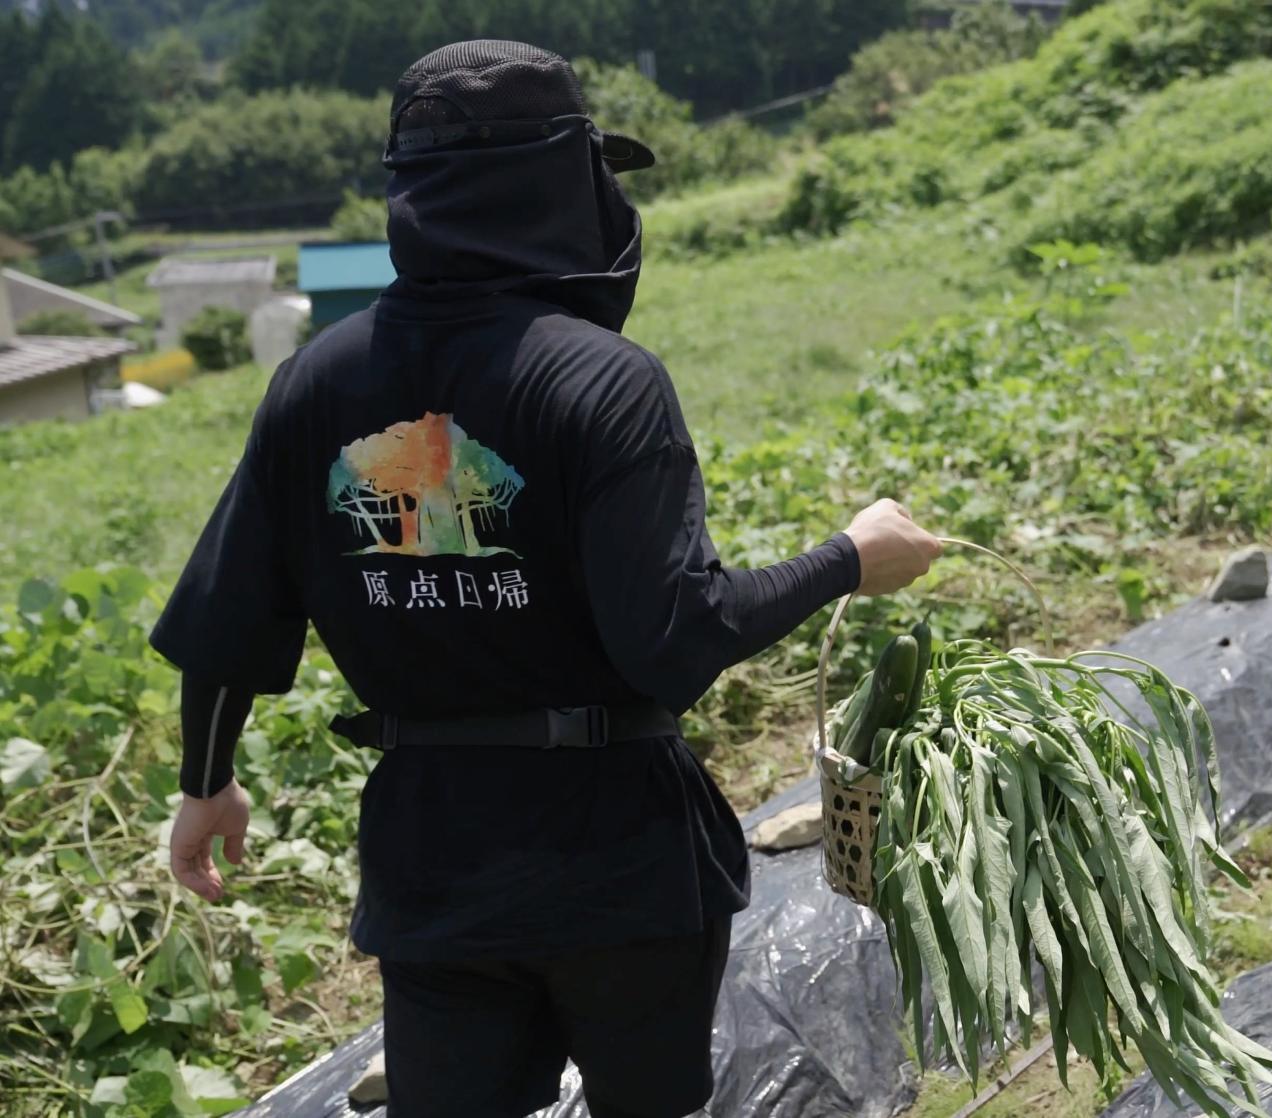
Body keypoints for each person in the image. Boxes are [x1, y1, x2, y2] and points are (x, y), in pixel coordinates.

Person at [151, 40, 941, 1118]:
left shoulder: (316, 382)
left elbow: (226, 616)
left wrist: (208, 781)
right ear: (551, 184)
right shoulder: (600, 381)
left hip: (432, 868)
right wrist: (848, 558)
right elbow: (672, 637)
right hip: (618, 863)